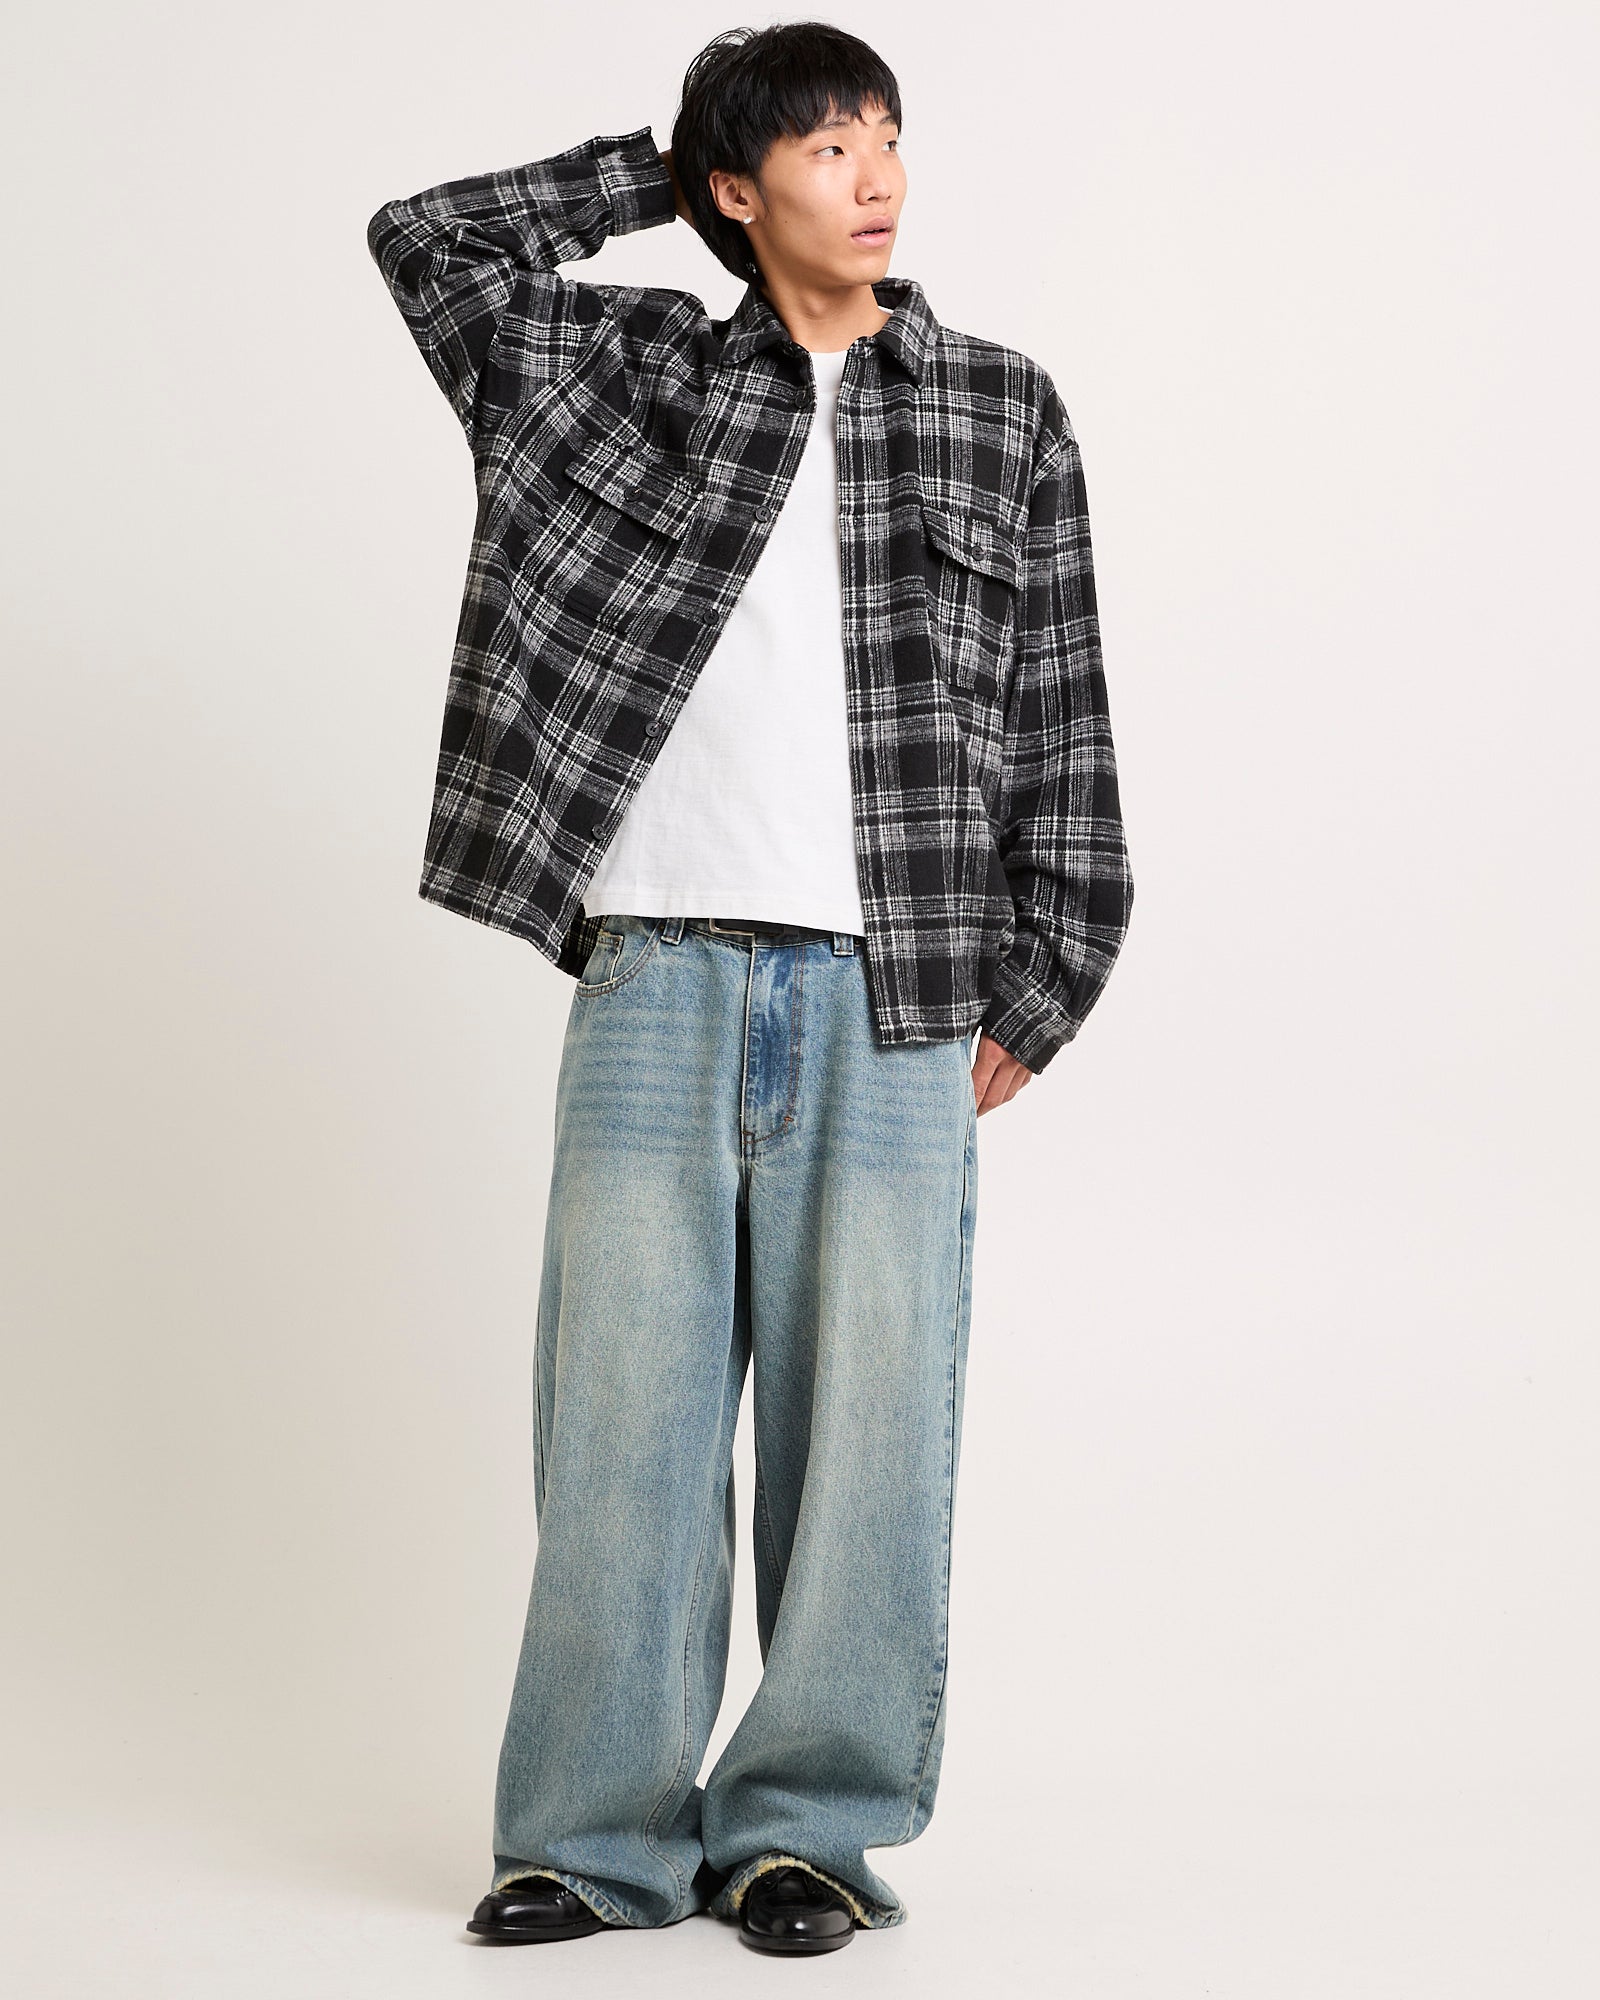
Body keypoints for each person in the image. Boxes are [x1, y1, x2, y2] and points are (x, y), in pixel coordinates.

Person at [366, 19, 1134, 1958]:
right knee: (619, 1428)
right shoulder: (619, 378)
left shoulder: (1001, 409)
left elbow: (1058, 705)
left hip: (897, 989)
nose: (875, 176)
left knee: (868, 1434)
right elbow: (427, 241)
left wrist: (1043, 975)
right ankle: (590, 1837)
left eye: (887, 136)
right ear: (737, 189)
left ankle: (807, 1831)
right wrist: (664, 164)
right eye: (823, 146)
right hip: (655, 968)